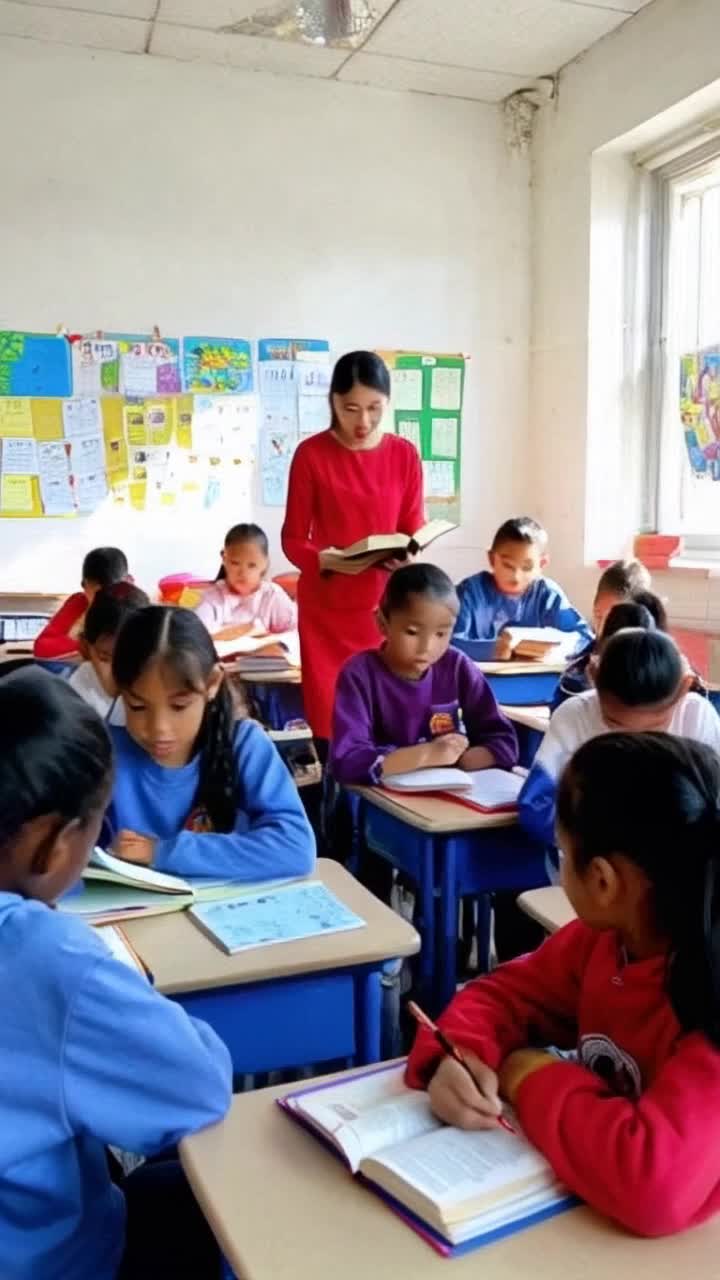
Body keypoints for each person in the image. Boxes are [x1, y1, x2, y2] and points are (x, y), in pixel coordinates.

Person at [406, 732, 720, 1237]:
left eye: (560, 854)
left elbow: (652, 1187)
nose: (557, 870)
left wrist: (522, 1069)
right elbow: (502, 995)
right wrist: (456, 1053)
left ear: (602, 881)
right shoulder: (604, 942)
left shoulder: (708, 990)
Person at [0, 668, 231, 1280]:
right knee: (214, 1191)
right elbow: (198, 1087)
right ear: (52, 844)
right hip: (52, 1262)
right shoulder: (49, 959)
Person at [105, 605, 316, 880]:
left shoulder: (244, 745)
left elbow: (295, 848)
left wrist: (162, 852)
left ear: (213, 682)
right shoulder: (102, 752)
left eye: (179, 706)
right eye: (137, 706)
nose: (159, 729)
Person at [282, 351, 424, 747]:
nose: (363, 422)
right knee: (334, 729)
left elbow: (412, 525)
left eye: (375, 409)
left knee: (384, 725)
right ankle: (332, 806)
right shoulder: (311, 455)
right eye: (351, 408)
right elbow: (293, 538)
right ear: (333, 403)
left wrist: (409, 552)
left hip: (385, 612)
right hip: (327, 611)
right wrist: (321, 559)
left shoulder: (404, 455)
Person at [519, 627, 720, 850]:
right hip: (591, 866)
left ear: (684, 687)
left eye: (655, 727)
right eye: (615, 724)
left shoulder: (697, 716)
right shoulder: (574, 716)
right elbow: (536, 806)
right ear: (593, 676)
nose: (635, 742)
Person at [331, 564, 518, 785]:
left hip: (451, 800)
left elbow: (504, 741)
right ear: (382, 623)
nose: (427, 647)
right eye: (412, 632)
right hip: (378, 805)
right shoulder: (360, 675)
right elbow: (348, 762)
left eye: (441, 633)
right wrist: (427, 754)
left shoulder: (457, 666)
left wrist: (465, 759)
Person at [452, 517, 592, 659]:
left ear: (542, 564)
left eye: (527, 567)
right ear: (492, 559)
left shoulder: (547, 595)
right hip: (481, 679)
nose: (516, 576)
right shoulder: (470, 593)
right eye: (507, 565)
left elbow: (584, 638)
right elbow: (447, 644)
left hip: (539, 678)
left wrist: (557, 646)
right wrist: (491, 649)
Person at [195, 522, 297, 637]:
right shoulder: (212, 597)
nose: (242, 573)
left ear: (265, 564)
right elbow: (199, 636)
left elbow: (294, 632)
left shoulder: (272, 595)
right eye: (235, 563)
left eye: (252, 565)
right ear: (224, 559)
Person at [69, 581, 149, 723]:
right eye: (105, 658)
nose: (120, 672)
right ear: (85, 649)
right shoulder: (75, 699)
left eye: (134, 658)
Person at [34, 546, 130, 661]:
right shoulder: (78, 602)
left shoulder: (137, 607)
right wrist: (88, 648)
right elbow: (42, 646)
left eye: (106, 592)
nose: (100, 602)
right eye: (93, 591)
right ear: (84, 585)